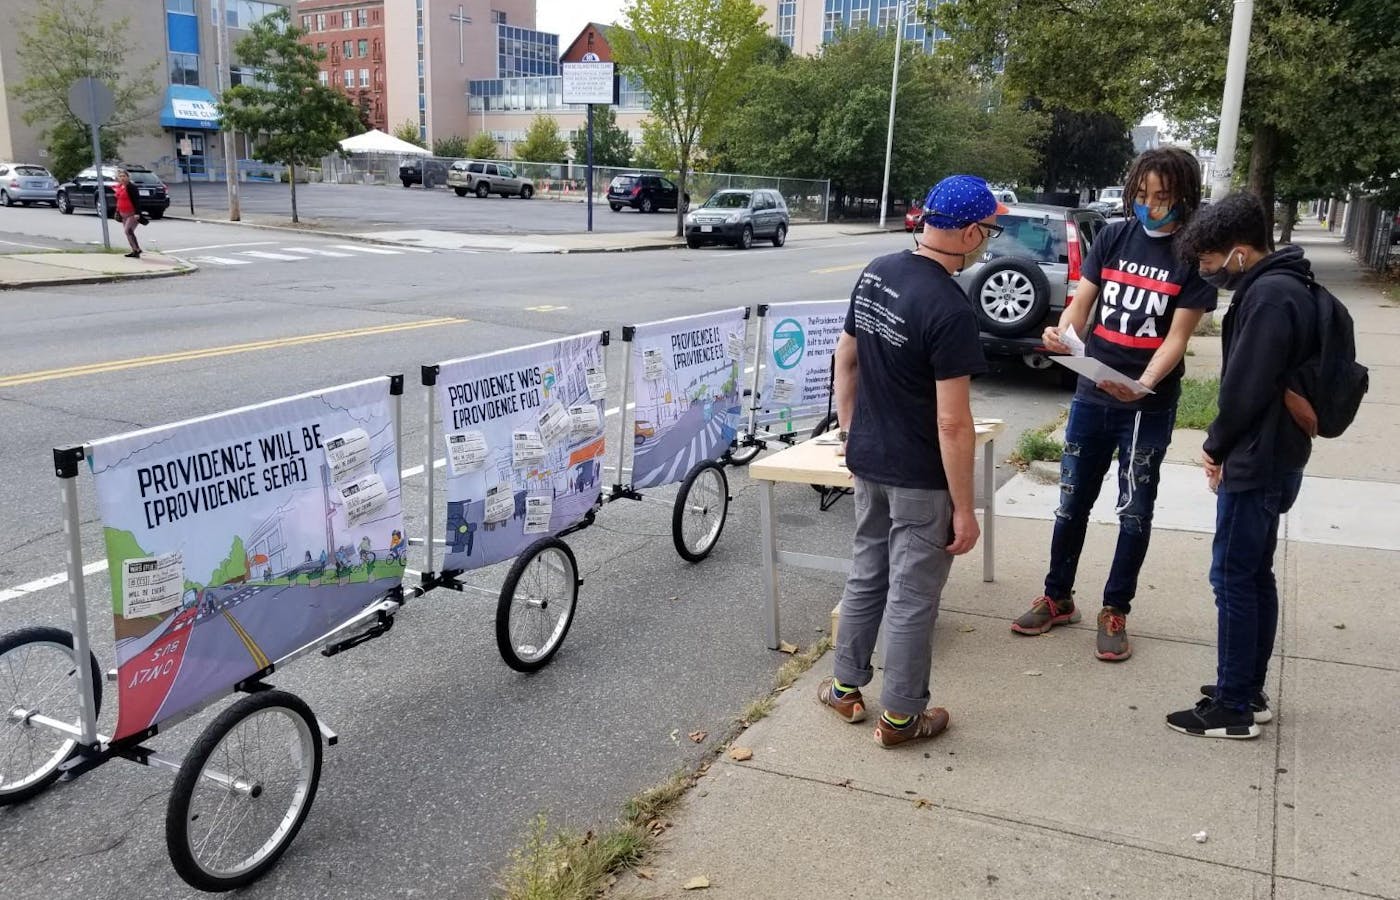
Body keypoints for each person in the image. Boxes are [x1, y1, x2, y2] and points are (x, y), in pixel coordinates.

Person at [1010, 147, 1217, 661]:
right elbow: (1084, 301)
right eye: (1143, 196)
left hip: (1147, 404)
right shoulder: (1113, 235)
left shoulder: (1192, 256)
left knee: (1134, 509)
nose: (1151, 206)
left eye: (1164, 198)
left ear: (1184, 197)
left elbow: (1177, 337)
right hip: (1092, 391)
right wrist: (1063, 333)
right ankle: (1057, 596)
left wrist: (1142, 382)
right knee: (1071, 500)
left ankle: (1115, 607)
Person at [817, 174, 999, 747]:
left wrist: (850, 432)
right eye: (989, 231)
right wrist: (965, 510)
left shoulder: (877, 272)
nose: (989, 241)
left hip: (868, 461)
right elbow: (952, 422)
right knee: (914, 597)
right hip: (921, 477)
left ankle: (844, 689)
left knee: (867, 573)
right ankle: (900, 717)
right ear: (969, 233)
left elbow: (844, 359)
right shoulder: (949, 307)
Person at [1166, 192, 1319, 739]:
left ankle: (1233, 708)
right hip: (1278, 453)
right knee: (1253, 574)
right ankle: (1245, 690)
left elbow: (1246, 389)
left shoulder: (1269, 298)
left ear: (1238, 251)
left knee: (1233, 576)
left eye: (1208, 262)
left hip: (1258, 457)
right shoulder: (1289, 285)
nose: (1206, 272)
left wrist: (1216, 446)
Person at [113, 168, 143, 259]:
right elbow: (119, 199)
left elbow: (137, 200)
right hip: (123, 213)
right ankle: (135, 250)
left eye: (124, 176)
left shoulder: (131, 187)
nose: (122, 178)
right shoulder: (119, 187)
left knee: (128, 231)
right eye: (120, 176)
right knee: (128, 233)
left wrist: (137, 213)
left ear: (128, 177)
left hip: (132, 213)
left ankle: (137, 249)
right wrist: (117, 211)